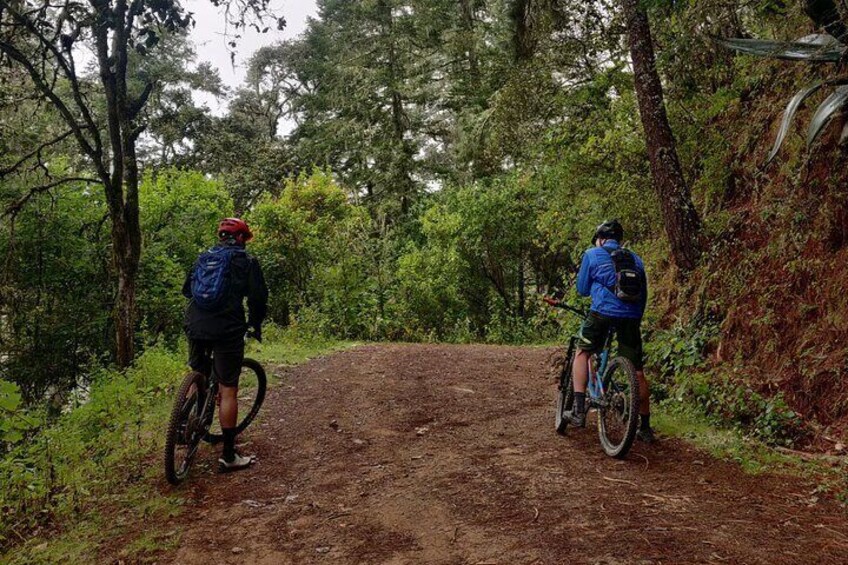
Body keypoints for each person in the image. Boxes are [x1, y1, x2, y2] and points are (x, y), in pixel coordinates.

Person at [549, 220, 654, 443]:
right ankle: (645, 427)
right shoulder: (636, 259)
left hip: (602, 313)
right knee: (637, 372)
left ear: (600, 238)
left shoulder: (592, 254)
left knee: (582, 352)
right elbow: (643, 294)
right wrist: (634, 317)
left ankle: (578, 411)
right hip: (632, 316)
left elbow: (583, 289)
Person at [182, 218, 269, 470]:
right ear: (241, 238)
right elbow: (258, 298)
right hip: (227, 328)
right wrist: (254, 324)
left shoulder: (203, 258)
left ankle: (184, 423)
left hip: (195, 325)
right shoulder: (247, 262)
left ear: (220, 237)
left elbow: (188, 290)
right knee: (228, 389)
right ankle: (229, 456)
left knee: (198, 373)